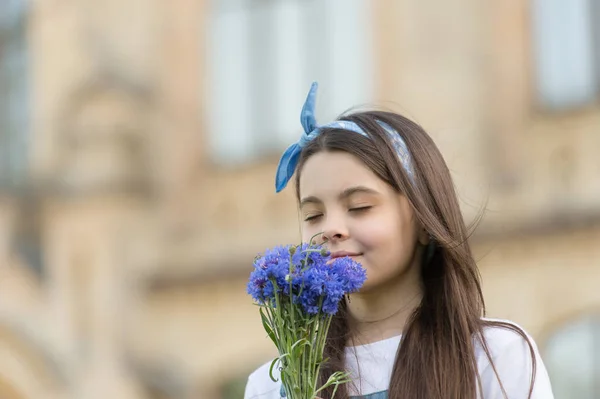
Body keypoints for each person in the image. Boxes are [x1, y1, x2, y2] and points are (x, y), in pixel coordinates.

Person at [244, 82, 554, 399]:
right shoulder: (272, 386)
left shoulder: (496, 357)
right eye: (313, 215)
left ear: (423, 221)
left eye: (359, 207)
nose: (331, 228)